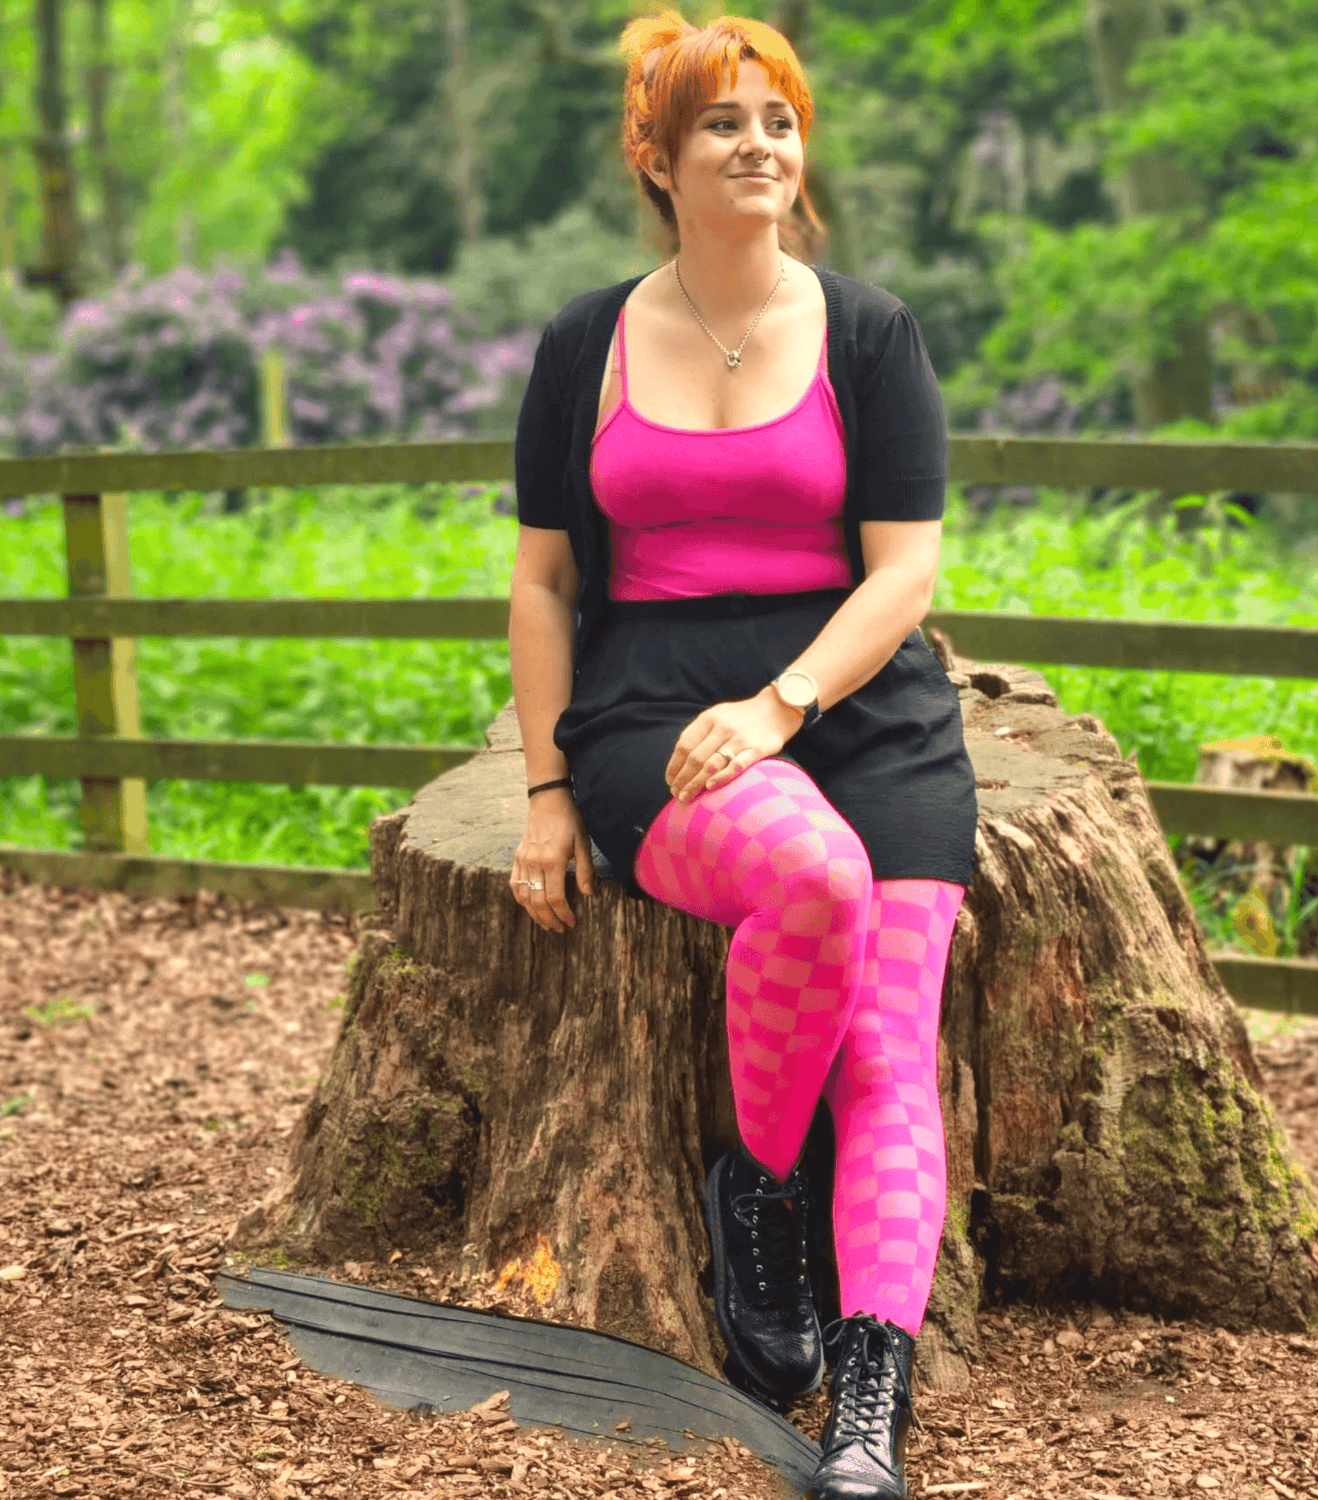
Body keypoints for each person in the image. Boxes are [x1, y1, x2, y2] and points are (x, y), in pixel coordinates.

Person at [506, 12, 977, 1499]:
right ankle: (761, 1187)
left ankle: (865, 1408)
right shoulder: (586, 340)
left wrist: (784, 705)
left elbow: (905, 574)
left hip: (858, 701)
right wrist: (542, 792)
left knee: (892, 1051)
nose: (760, 145)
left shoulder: (869, 331)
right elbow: (539, 585)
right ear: (659, 155)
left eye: (779, 120)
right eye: (724, 123)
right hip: (651, 709)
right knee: (811, 880)